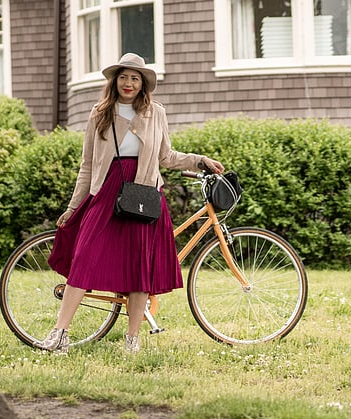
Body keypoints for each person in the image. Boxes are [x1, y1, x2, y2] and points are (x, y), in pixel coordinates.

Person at [40, 53, 224, 354]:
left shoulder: (156, 113)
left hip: (143, 194)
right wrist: (75, 206)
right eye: (124, 77)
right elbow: (87, 164)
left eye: (135, 78)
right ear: (115, 81)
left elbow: (167, 156)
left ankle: (132, 339)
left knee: (140, 268)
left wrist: (199, 159)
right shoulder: (99, 113)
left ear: (143, 84)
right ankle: (60, 334)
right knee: (83, 260)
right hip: (107, 190)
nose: (128, 83)